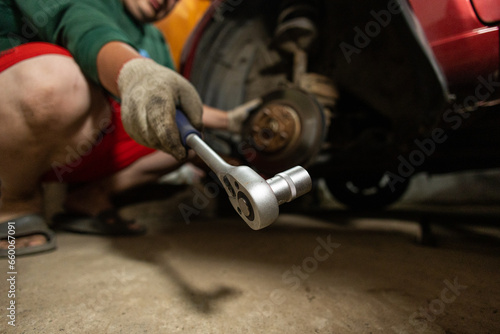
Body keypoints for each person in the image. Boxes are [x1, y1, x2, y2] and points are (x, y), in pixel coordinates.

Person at [0, 0, 259, 256]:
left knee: (179, 138)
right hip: (17, 123)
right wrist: (134, 73)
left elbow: (173, 107)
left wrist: (233, 122)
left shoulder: (155, 39)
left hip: (83, 140)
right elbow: (86, 28)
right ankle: (13, 203)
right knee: (52, 83)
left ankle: (89, 196)